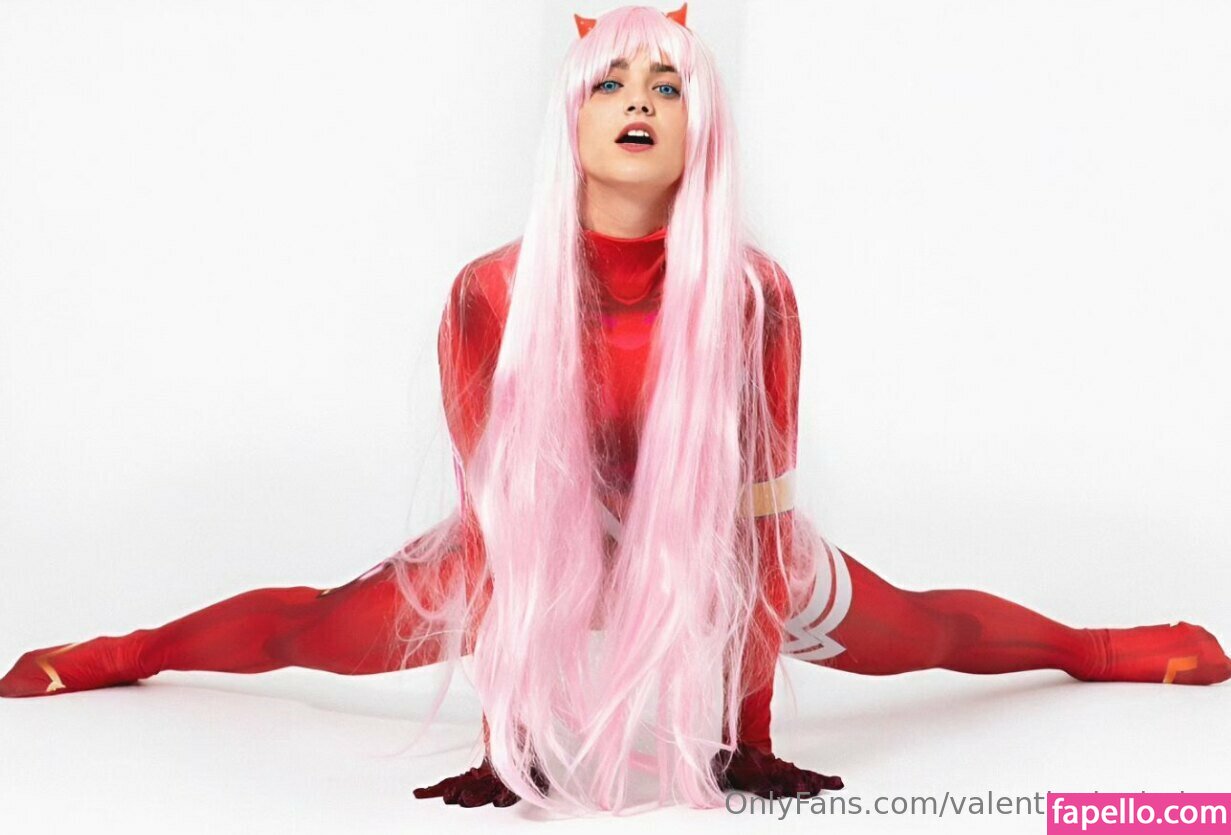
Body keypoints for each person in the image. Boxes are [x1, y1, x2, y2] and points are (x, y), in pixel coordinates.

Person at [2, 3, 1228, 815]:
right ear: (574, 117)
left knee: (929, 631)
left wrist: (745, 735)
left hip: (721, 552)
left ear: (701, 129)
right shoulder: (490, 294)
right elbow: (502, 537)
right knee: (313, 628)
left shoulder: (753, 295)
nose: (638, 99)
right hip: (535, 551)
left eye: (667, 84)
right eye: (610, 81)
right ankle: (131, 651)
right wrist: (506, 745)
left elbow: (758, 534)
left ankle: (1093, 647)